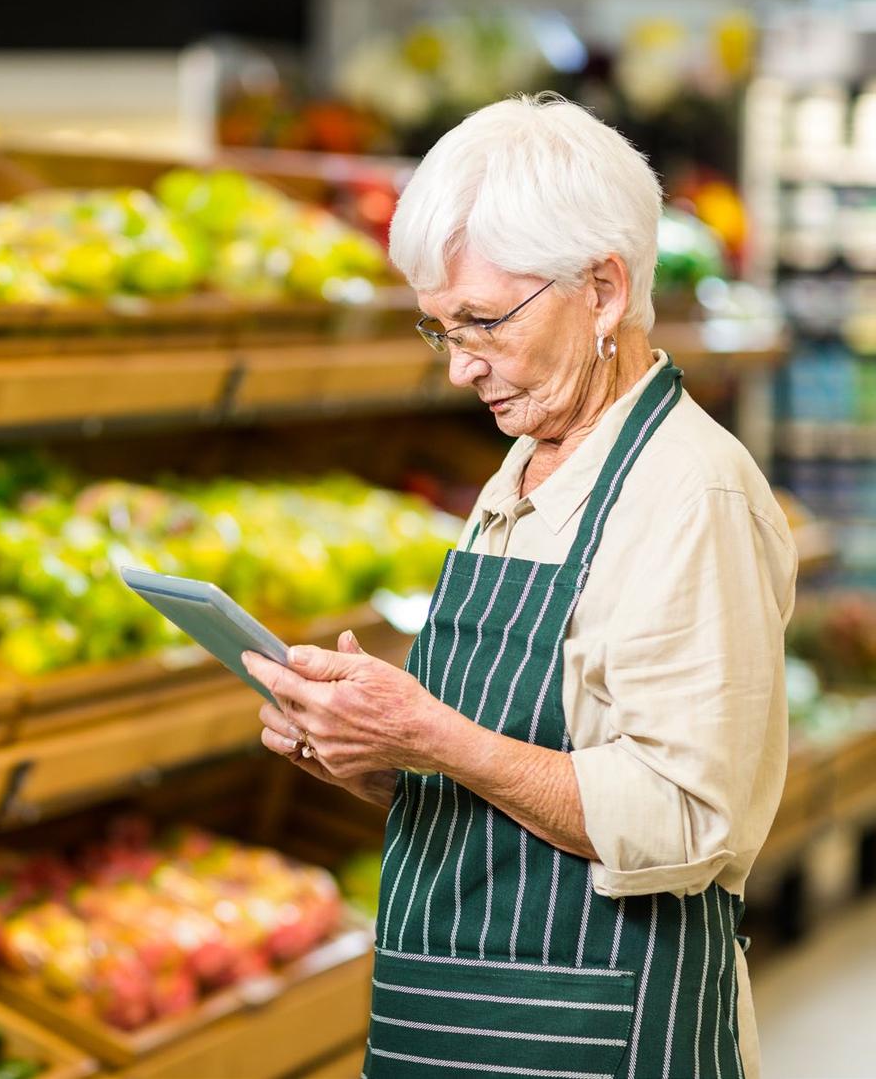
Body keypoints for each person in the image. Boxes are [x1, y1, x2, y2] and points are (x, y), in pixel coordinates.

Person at [244, 94, 795, 1079]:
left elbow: (684, 815)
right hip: (459, 1020)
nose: (460, 368)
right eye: (438, 329)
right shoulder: (524, 471)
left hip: (604, 1031)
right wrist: (375, 757)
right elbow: (525, 772)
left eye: (484, 321)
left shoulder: (688, 494)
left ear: (605, 290)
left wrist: (431, 733)